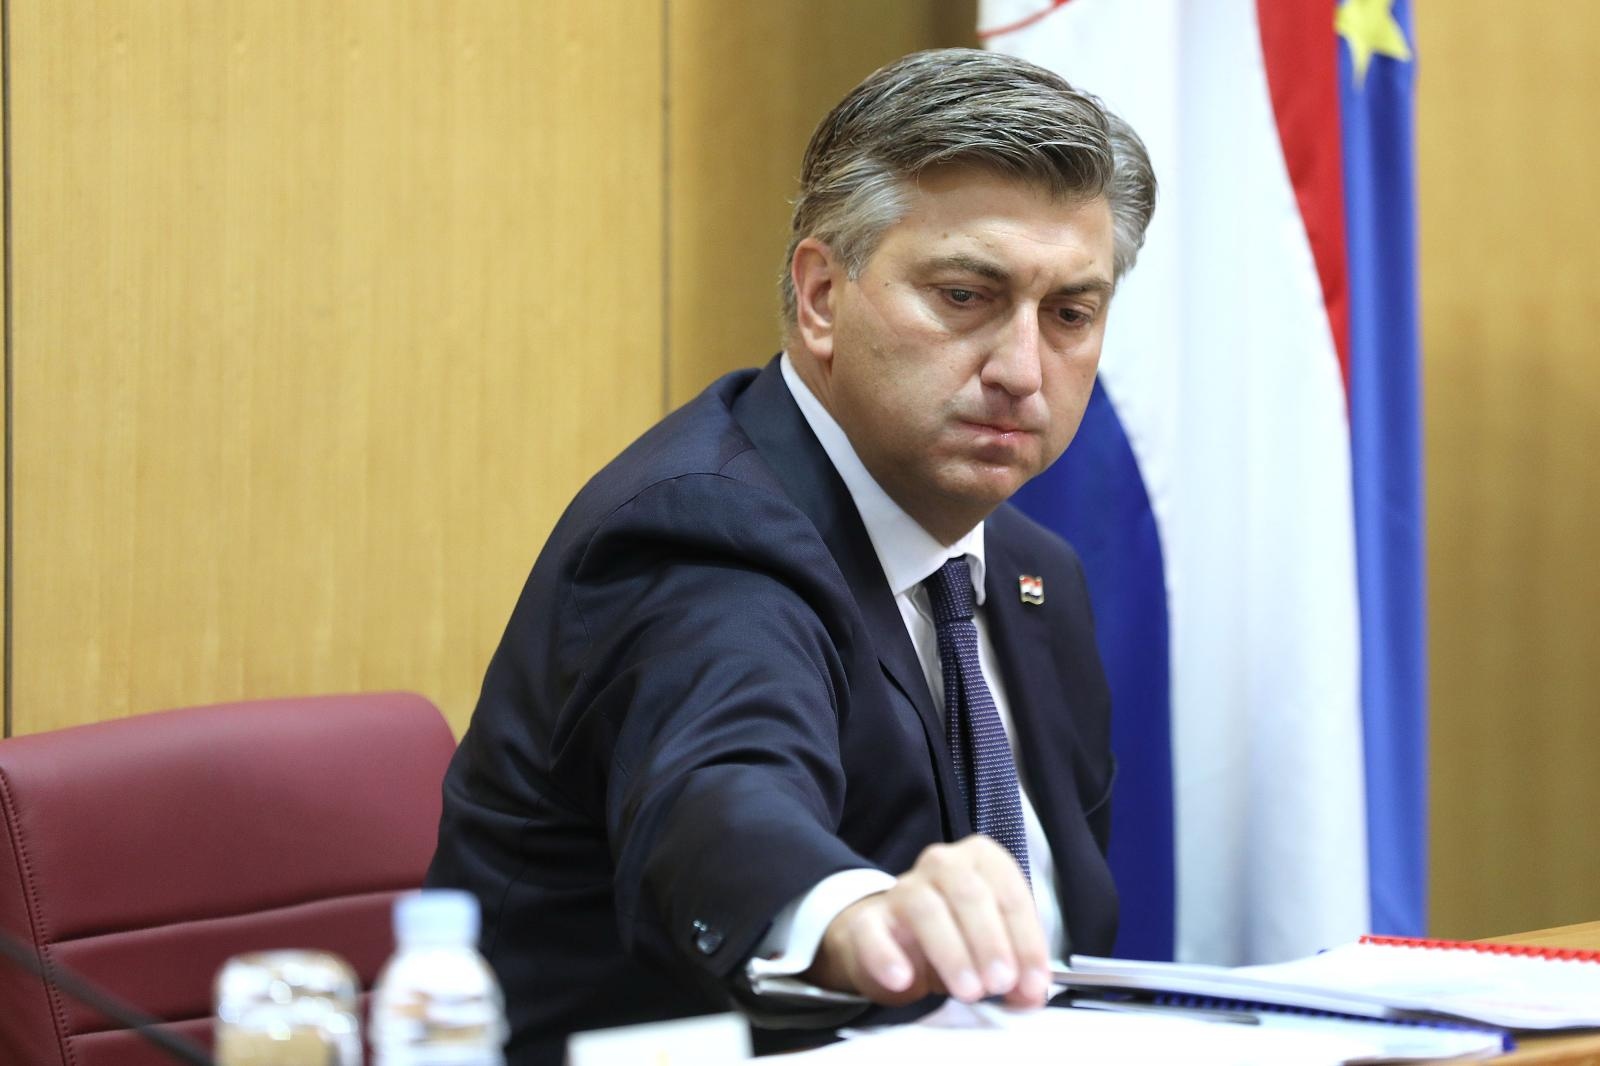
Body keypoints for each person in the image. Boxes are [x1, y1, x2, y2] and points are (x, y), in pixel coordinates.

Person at [426, 47, 1156, 1065]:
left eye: (1069, 314)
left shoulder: (1035, 576)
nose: (1023, 370)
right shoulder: (703, 530)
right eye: (963, 296)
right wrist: (851, 915)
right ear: (819, 296)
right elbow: (719, 793)